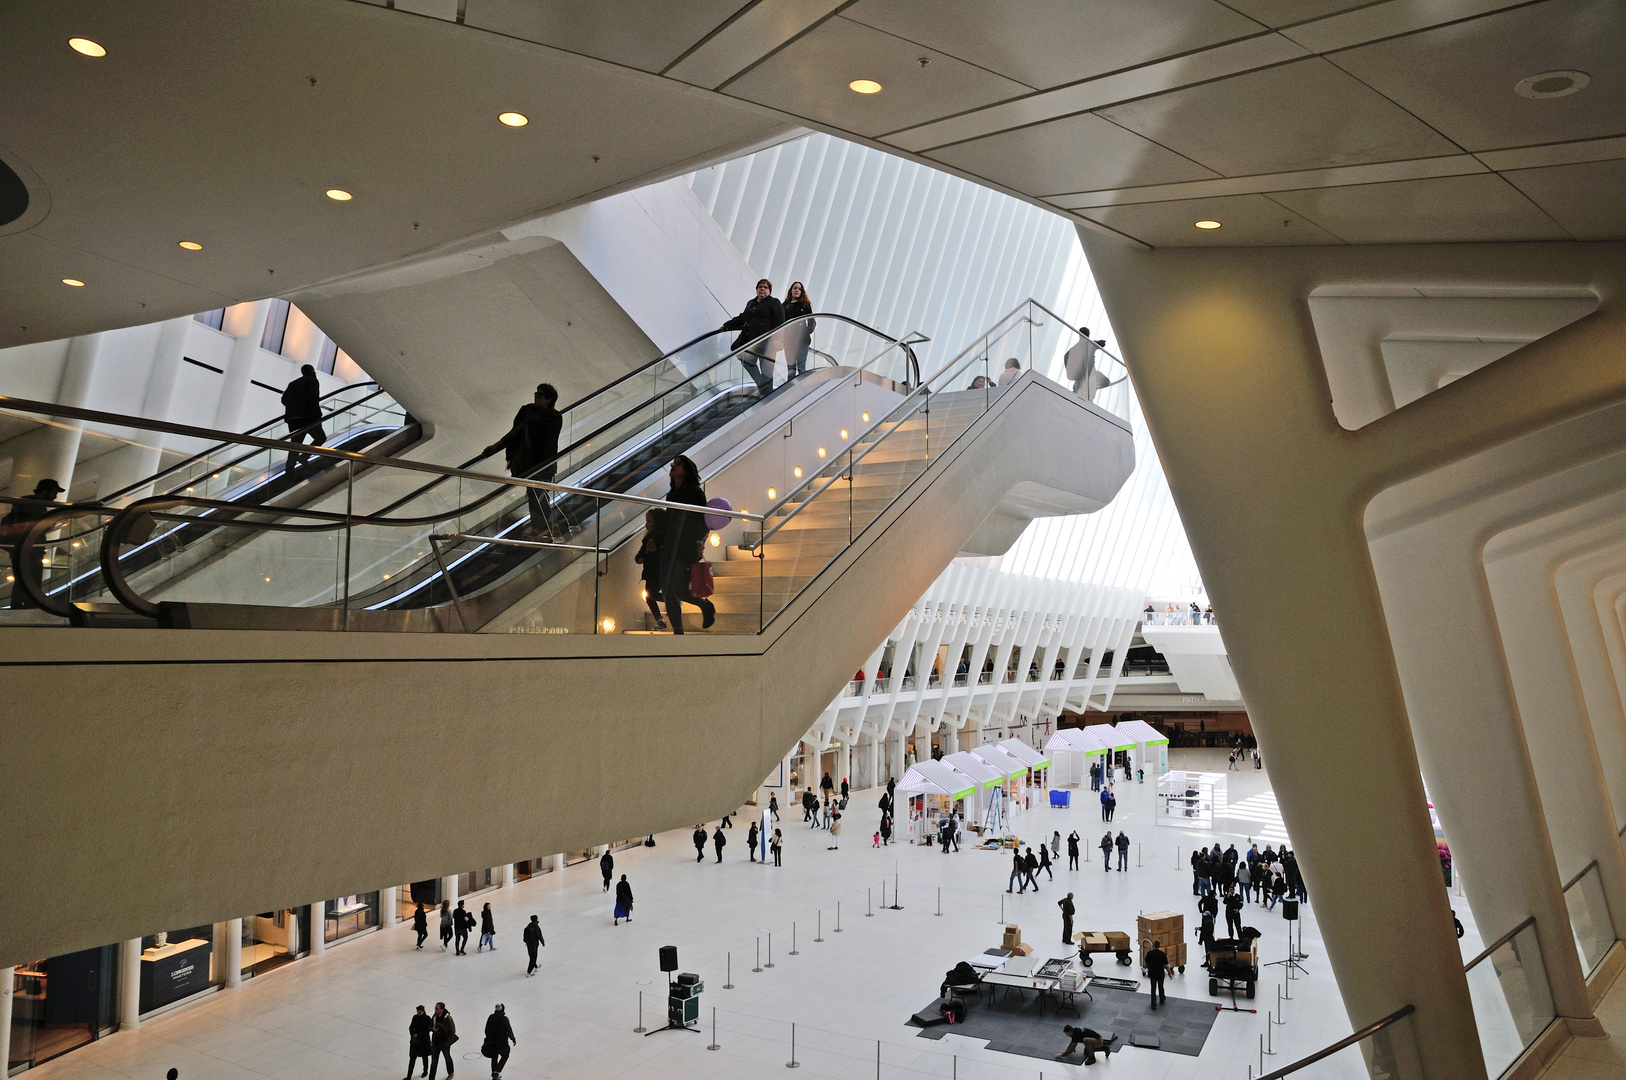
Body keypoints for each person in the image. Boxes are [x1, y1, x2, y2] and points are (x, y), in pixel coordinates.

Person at [483, 382, 565, 538]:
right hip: (529, 462)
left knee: (538, 496)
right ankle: (541, 530)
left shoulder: (555, 418)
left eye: (539, 395)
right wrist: (497, 445)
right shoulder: (528, 411)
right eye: (536, 393)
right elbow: (515, 432)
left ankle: (543, 530)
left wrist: (545, 467)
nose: (535, 396)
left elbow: (548, 442)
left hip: (543, 463)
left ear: (549, 399)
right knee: (535, 495)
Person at [656, 455, 715, 633]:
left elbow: (704, 518)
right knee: (668, 591)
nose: (673, 466)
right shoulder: (672, 494)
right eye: (673, 463)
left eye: (678, 464)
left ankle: (705, 605)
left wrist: (699, 539)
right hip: (670, 546)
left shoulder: (694, 492)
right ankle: (678, 631)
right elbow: (670, 521)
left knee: (679, 590)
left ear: (687, 470)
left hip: (686, 546)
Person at [2, 478, 66, 608]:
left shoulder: (25, 503)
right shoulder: (34, 505)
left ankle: (18, 608)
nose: (55, 496)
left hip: (21, 549)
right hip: (30, 549)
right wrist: (56, 518)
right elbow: (40, 527)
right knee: (32, 581)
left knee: (22, 580)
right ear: (45, 491)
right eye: (54, 492)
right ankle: (26, 608)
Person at [722, 278, 785, 395]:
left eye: (765, 287)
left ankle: (767, 395)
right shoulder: (751, 303)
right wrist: (728, 325)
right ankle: (763, 386)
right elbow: (742, 318)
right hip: (751, 341)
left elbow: (780, 322)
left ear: (769, 291)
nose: (762, 289)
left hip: (768, 343)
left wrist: (777, 339)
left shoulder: (774, 303)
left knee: (767, 371)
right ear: (756, 289)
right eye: (760, 287)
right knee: (745, 359)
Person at [280, 363, 324, 470]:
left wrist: (294, 406)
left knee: (295, 444)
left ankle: (289, 469)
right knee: (320, 437)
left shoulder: (293, 384)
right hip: (307, 418)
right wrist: (318, 415)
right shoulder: (312, 381)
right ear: (312, 371)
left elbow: (284, 400)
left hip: (292, 419)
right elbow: (313, 400)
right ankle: (304, 456)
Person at [633, 510, 666, 630]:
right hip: (651, 572)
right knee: (649, 596)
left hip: (658, 571)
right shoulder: (647, 539)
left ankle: (672, 600)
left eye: (649, 521)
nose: (646, 524)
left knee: (651, 594)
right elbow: (640, 554)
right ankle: (660, 620)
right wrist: (640, 557)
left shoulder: (661, 539)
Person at [780, 281, 814, 379]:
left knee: (801, 367)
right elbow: (781, 322)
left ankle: (802, 391)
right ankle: (790, 390)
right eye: (795, 288)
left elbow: (811, 321)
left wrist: (806, 331)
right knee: (790, 368)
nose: (797, 290)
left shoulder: (805, 305)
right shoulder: (785, 305)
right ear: (791, 290)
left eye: (799, 289)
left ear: (802, 292)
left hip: (802, 340)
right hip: (788, 340)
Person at [1063, 328, 1106, 400]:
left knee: (1081, 398)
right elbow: (1100, 344)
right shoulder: (1088, 346)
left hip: (1083, 380)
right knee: (1083, 398)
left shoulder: (1072, 351)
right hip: (1084, 380)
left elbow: (1100, 344)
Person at [482, 1003, 515, 1080]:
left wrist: (489, 1038)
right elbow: (509, 1031)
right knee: (505, 1055)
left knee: (494, 1056)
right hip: (502, 1043)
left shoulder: (491, 1017)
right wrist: (513, 1039)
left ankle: (494, 1073)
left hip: (491, 1042)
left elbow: (486, 1030)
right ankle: (497, 1071)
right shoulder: (504, 1019)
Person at [428, 1002, 457, 1080]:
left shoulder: (448, 1018)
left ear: (442, 1009)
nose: (435, 1010)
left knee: (447, 1058)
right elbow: (430, 1025)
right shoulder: (434, 1017)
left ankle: (451, 1072)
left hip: (444, 1043)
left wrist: (447, 1043)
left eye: (437, 1009)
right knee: (434, 1062)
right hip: (435, 1043)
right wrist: (432, 1029)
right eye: (435, 1008)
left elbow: (452, 1031)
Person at [407, 1005, 433, 1079]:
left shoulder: (427, 1019)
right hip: (415, 1041)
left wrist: (418, 1034)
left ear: (423, 1011)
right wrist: (412, 1034)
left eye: (420, 1012)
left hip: (424, 1042)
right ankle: (409, 1076)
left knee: (424, 1057)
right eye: (418, 1012)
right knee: (412, 1058)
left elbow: (428, 1029)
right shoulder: (415, 1017)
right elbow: (411, 1027)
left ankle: (425, 1071)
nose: (418, 1013)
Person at [1145, 941, 1169, 1009]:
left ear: (1153, 946)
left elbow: (1146, 961)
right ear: (1159, 946)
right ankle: (1162, 998)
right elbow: (1166, 965)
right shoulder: (1162, 954)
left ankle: (1153, 1004)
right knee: (1161, 986)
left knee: (1153, 988)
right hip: (1160, 973)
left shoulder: (1149, 953)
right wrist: (1169, 973)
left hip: (1152, 973)